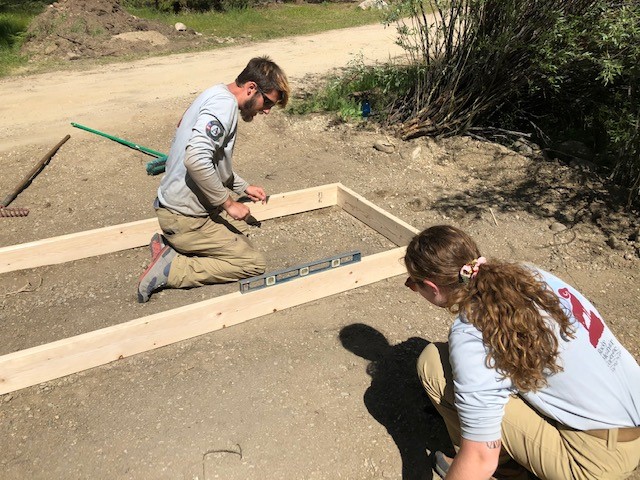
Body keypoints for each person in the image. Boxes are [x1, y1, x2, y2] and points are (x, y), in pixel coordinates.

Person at [403, 225, 640, 480]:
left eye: (413, 285)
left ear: (432, 286)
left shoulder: (469, 333)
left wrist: (474, 463)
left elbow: (482, 457)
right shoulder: (528, 275)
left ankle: (509, 472)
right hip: (630, 419)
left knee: (434, 365)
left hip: (594, 462)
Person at [137, 56, 290, 303]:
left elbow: (212, 160)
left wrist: (243, 187)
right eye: (268, 101)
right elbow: (196, 159)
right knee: (252, 263)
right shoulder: (224, 106)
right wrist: (228, 204)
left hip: (175, 207)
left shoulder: (215, 93)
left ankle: (170, 246)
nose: (267, 110)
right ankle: (172, 269)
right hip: (184, 218)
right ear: (251, 88)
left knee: (243, 230)